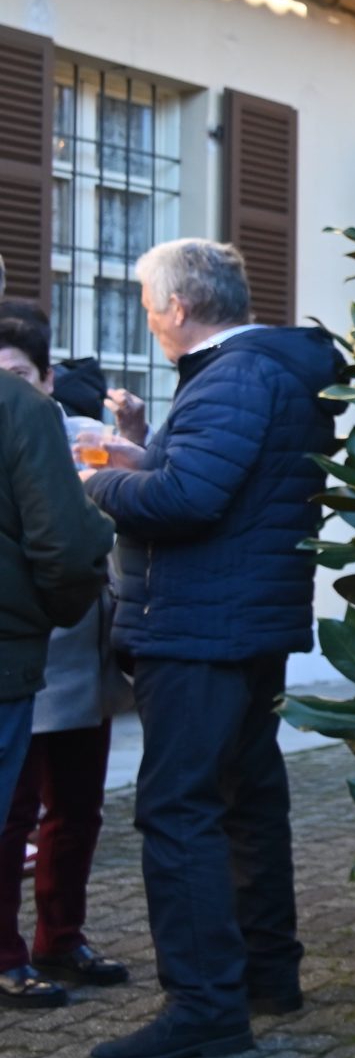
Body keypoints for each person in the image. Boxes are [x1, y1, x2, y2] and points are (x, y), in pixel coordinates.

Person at [77, 239, 345, 1058]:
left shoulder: (234, 375)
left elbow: (188, 498)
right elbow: (219, 479)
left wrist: (96, 480)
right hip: (243, 621)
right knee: (246, 796)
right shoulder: (263, 369)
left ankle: (203, 1005)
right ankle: (266, 973)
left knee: (178, 809)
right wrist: (142, 447)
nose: (149, 319)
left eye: (148, 305)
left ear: (180, 307)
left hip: (200, 628)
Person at [0, 307, 127, 1007]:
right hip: (24, 641)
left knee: (77, 806)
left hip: (77, 643)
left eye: (18, 373)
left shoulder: (77, 433)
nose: (8, 385)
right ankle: (6, 952)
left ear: (46, 377)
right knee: (11, 812)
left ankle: (62, 934)